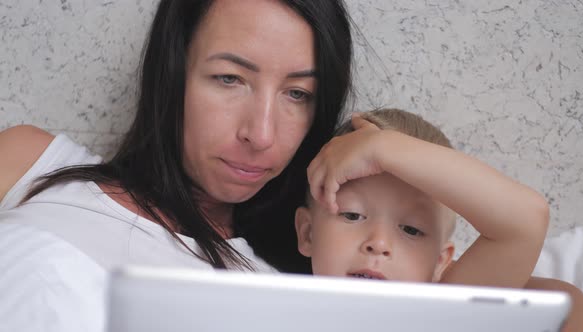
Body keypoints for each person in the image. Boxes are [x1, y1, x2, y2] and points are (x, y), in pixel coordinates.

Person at [0, 0, 353, 331]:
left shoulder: (279, 297)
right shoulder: (31, 163)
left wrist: (396, 151)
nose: (260, 135)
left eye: (298, 93)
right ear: (172, 73)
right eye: (229, 78)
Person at [295, 108, 583, 330]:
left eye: (411, 230)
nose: (379, 243)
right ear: (307, 233)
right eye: (353, 215)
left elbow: (526, 220)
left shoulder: (443, 317)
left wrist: (381, 148)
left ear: (440, 262)